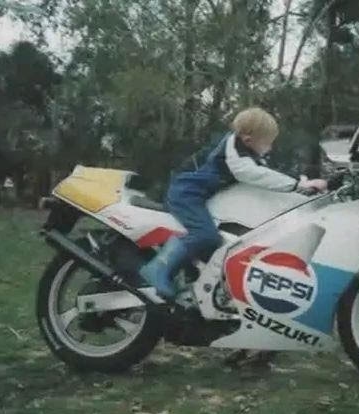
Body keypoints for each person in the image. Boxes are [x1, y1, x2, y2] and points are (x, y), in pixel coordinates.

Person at [140, 107, 328, 301]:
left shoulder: (240, 148)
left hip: (201, 195)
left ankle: (192, 277)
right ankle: (158, 267)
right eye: (268, 143)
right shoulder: (234, 153)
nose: (270, 148)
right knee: (206, 236)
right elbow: (254, 174)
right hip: (186, 195)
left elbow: (265, 172)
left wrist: (300, 182)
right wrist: (298, 185)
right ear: (249, 140)